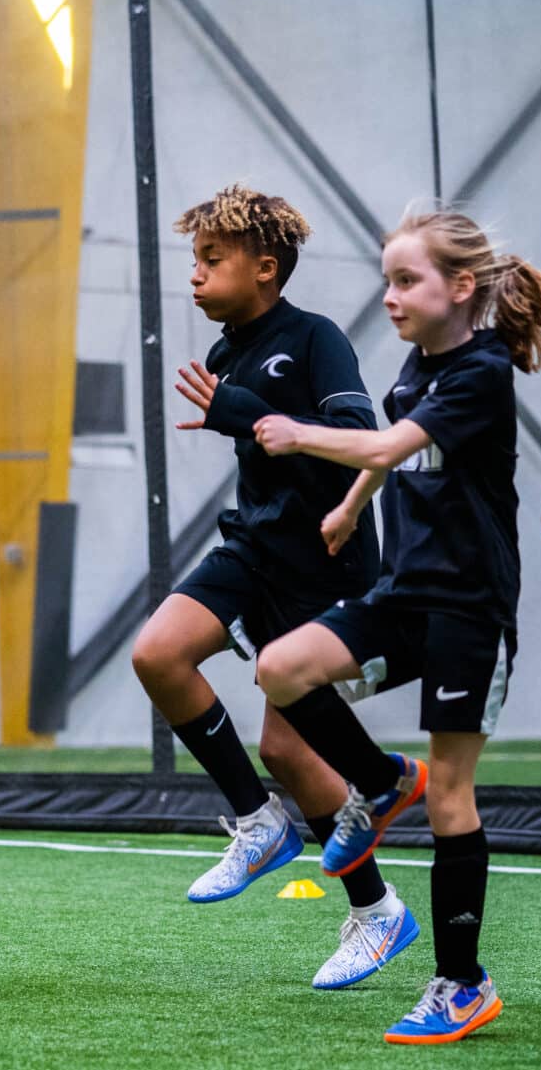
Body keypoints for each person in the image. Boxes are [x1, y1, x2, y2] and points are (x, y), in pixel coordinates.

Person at [253, 207, 541, 1041]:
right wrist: (352, 508)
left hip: (469, 608)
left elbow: (388, 447)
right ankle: (381, 782)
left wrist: (303, 436)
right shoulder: (415, 370)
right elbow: (394, 449)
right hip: (402, 594)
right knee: (281, 667)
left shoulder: (482, 372)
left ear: (460, 288)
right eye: (386, 280)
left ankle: (462, 983)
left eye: (405, 280)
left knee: (452, 790)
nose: (390, 296)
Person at [133, 183, 407, 988]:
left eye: (211, 259)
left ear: (264, 268)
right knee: (157, 654)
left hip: (325, 564)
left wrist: (246, 411)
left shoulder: (316, 339)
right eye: (193, 259)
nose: (194, 273)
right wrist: (240, 411)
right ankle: (259, 823)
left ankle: (376, 911)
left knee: (286, 747)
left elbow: (359, 446)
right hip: (253, 549)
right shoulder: (225, 355)